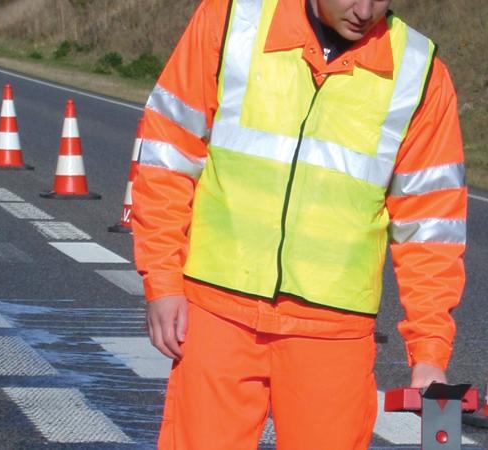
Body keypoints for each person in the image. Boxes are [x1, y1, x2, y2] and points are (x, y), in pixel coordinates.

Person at [131, 0, 467, 448]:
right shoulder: (231, 20)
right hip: (218, 312)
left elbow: (431, 226)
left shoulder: (419, 72)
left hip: (333, 332)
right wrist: (163, 280)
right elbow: (167, 155)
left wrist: (429, 353)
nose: (365, 10)